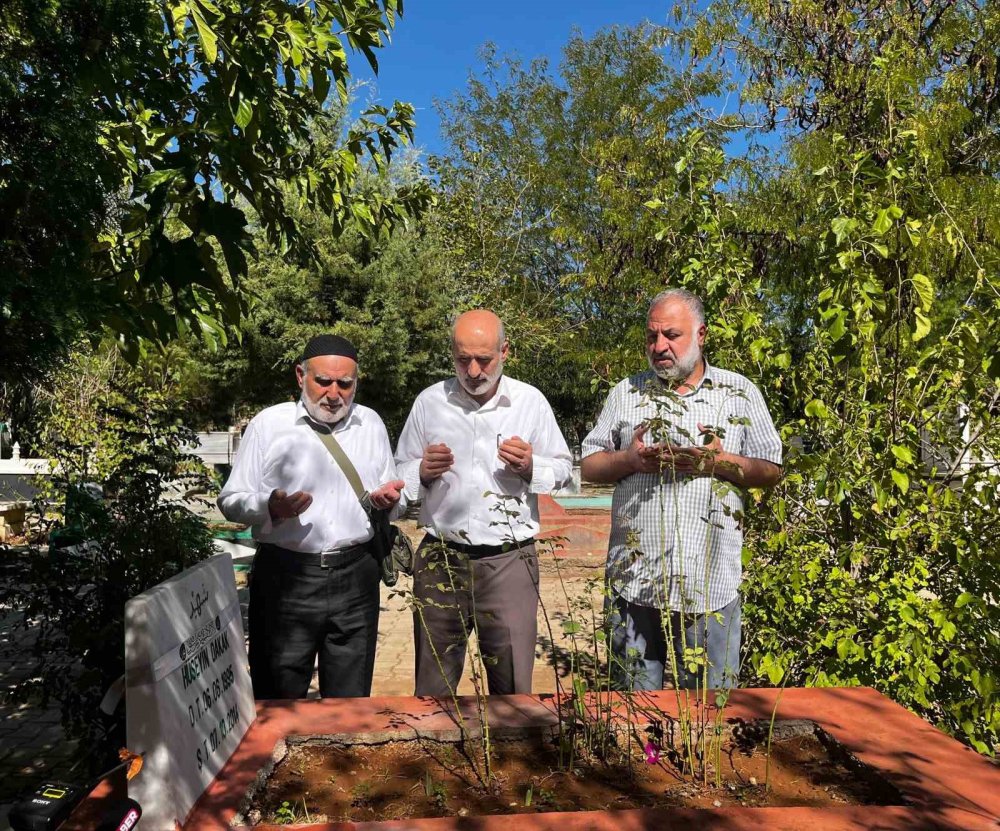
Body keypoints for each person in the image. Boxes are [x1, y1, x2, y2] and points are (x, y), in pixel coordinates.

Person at [581, 289, 782, 690]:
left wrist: (717, 463)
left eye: (671, 335)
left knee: (710, 710)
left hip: (708, 580)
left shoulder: (737, 393)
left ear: (701, 334)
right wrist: (631, 461)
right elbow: (589, 465)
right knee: (634, 712)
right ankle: (643, 758)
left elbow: (772, 468)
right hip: (634, 580)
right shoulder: (627, 393)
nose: (659, 347)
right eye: (651, 337)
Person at [395, 310, 572, 696]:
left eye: (484, 359)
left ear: (505, 351)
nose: (473, 370)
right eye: (462, 359)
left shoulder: (530, 402)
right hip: (440, 559)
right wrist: (421, 472)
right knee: (433, 685)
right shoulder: (429, 402)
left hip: (510, 561)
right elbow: (400, 471)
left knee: (511, 687)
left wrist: (531, 467)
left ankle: (511, 755)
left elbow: (564, 469)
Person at [218, 334, 405, 699]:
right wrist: (269, 506)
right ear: (300, 375)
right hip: (286, 579)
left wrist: (388, 501)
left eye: (344, 384)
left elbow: (391, 494)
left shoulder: (371, 424)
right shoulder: (269, 424)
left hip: (357, 576)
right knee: (278, 696)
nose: (334, 393)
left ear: (356, 383)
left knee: (350, 701)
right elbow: (230, 499)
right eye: (323, 381)